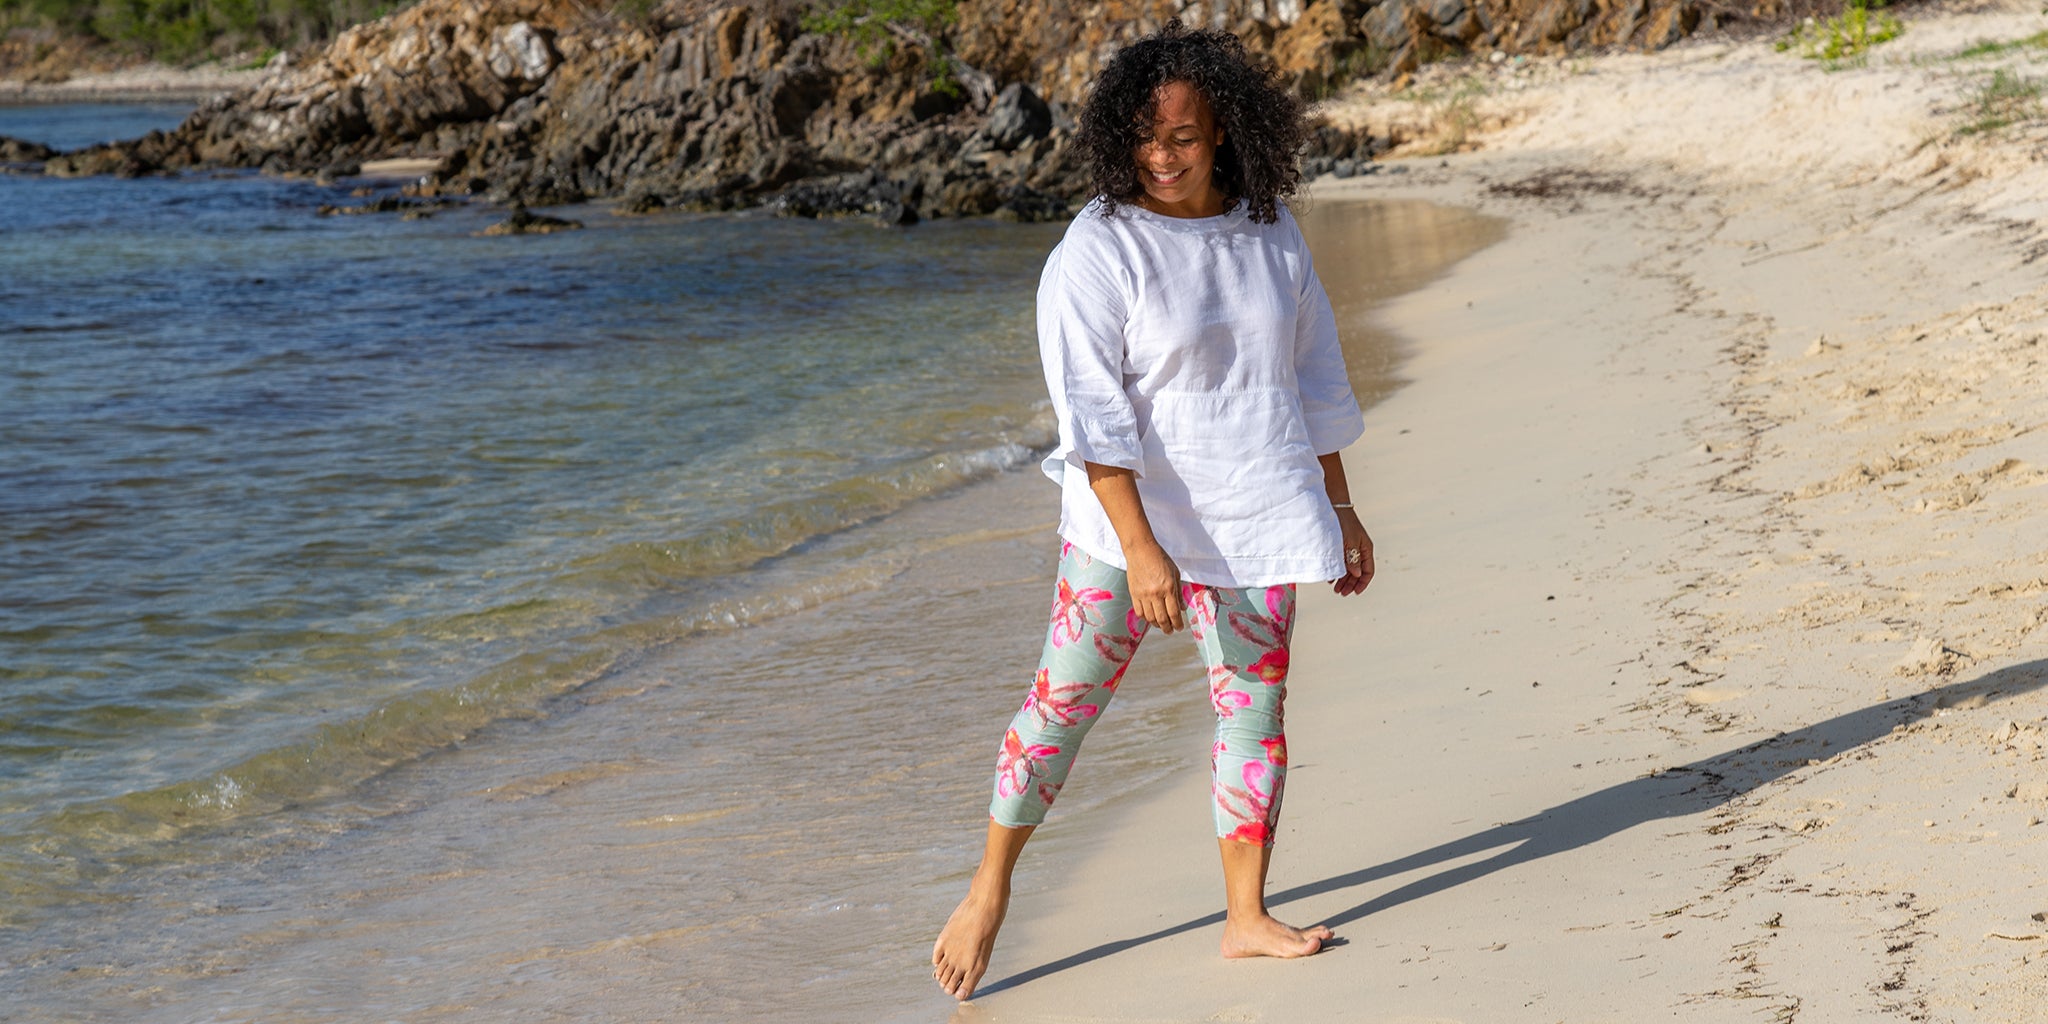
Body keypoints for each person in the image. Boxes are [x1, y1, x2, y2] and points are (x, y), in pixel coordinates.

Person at [931, 19, 1377, 1002]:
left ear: (1221, 131)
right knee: (1062, 708)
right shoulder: (1095, 251)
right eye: (1143, 137)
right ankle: (987, 889)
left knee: (1253, 712)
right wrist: (1139, 550)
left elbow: (1312, 380)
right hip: (1121, 530)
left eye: (1182, 135)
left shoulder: (1269, 229)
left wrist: (1338, 508)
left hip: (1256, 508)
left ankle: (1245, 915)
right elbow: (1089, 418)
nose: (1162, 156)